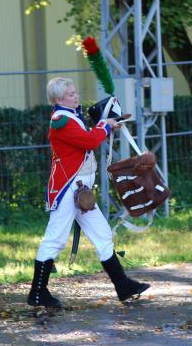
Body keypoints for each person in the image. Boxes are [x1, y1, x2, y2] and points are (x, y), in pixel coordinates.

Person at [27, 77, 150, 307]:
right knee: (55, 239)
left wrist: (108, 124)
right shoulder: (60, 119)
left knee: (103, 235)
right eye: (71, 94)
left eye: (75, 92)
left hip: (80, 191)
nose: (76, 96)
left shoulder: (71, 116)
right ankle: (37, 293)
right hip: (67, 189)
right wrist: (105, 126)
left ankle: (123, 286)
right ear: (58, 98)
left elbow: (90, 136)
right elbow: (89, 141)